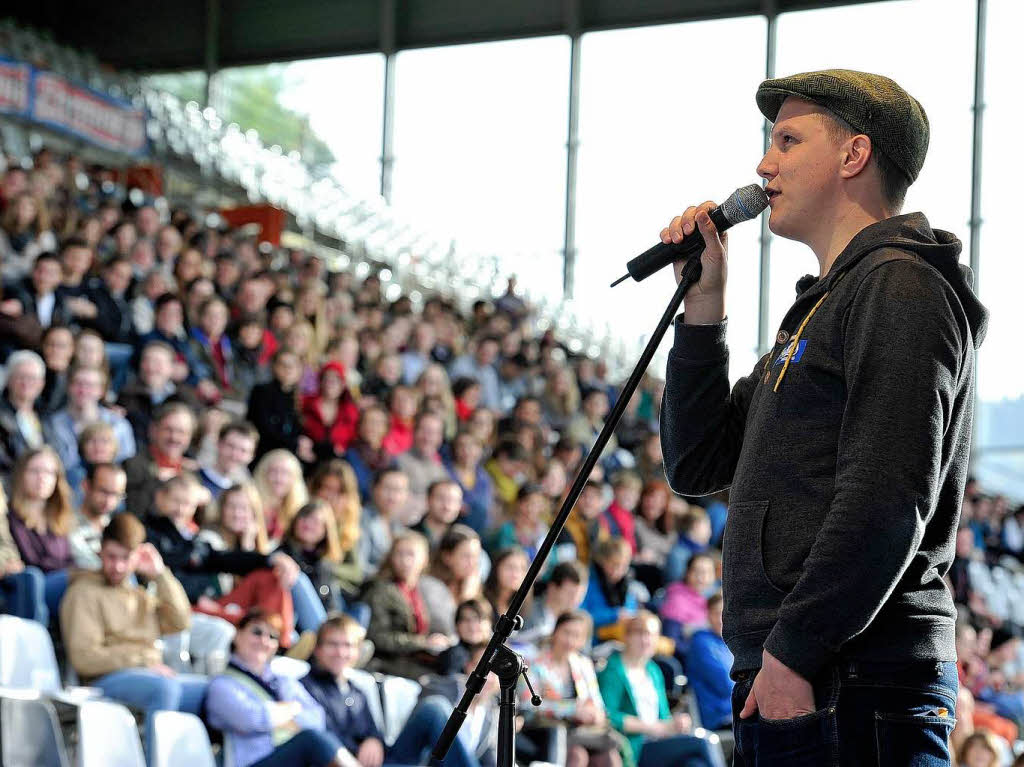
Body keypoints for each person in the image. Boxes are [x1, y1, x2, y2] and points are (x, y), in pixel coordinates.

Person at [659, 70, 986, 764]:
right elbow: (699, 462)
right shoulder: (822, 308)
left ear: (853, 155)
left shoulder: (900, 286)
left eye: (787, 139)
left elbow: (886, 495)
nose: (762, 163)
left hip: (846, 672)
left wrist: (795, 652)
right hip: (811, 670)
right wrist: (704, 305)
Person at [60, 513, 208, 725]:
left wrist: (160, 574)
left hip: (151, 675)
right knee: (165, 689)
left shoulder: (140, 595)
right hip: (104, 680)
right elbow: (85, 659)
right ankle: (155, 759)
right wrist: (143, 661)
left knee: (213, 692)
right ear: (100, 551)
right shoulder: (82, 592)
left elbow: (181, 622)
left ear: (138, 556)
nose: (118, 566)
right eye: (111, 556)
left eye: (126, 558)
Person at [302, 614, 487, 767]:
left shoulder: (356, 690)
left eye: (348, 645)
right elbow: (320, 740)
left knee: (435, 708)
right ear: (318, 649)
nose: (341, 652)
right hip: (346, 762)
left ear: (357, 652)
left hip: (386, 760)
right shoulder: (306, 687)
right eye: (333, 644)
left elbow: (375, 732)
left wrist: (374, 740)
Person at [204, 608, 347, 767]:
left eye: (272, 636)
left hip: (292, 758)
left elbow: (317, 718)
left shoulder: (283, 681)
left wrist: (275, 715)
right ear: (237, 634)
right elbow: (252, 719)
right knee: (312, 741)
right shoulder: (222, 685)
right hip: (256, 762)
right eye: (257, 632)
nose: (264, 641)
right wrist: (292, 709)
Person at [598, 611, 721, 767]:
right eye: (639, 633)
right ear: (627, 636)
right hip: (633, 746)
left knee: (695, 764)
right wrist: (651, 727)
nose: (646, 640)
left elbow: (664, 717)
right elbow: (608, 716)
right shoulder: (614, 669)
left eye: (651, 635)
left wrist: (675, 724)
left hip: (658, 741)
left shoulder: (653, 670)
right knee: (705, 742)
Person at [526, 610, 622, 767]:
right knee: (577, 755)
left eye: (577, 636)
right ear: (555, 632)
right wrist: (572, 710)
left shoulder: (583, 664)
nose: (570, 640)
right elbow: (528, 705)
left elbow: (596, 702)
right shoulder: (535, 663)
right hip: (547, 730)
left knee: (609, 756)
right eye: (566, 632)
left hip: (582, 730)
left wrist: (595, 715)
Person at [364, 530, 452, 678]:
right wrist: (423, 643)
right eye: (399, 554)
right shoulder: (381, 589)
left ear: (424, 559)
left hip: (414, 661)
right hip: (387, 664)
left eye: (410, 554)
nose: (404, 561)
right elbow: (378, 637)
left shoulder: (421, 590)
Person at [5, 446, 74, 625]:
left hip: (59, 583)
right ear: (22, 475)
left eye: (49, 472)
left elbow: (68, 559)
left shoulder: (59, 519)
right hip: (29, 583)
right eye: (35, 471)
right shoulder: (11, 516)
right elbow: (30, 559)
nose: (42, 478)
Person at [123, 401, 196, 514]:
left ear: (190, 437)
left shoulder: (193, 473)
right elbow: (133, 509)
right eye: (168, 429)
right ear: (154, 430)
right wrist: (157, 482)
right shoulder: (133, 466)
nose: (174, 437)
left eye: (181, 432)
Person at [419, 524, 485, 635]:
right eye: (466, 556)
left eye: (476, 556)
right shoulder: (429, 586)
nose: (473, 563)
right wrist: (467, 597)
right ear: (447, 557)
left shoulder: (470, 582)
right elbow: (450, 630)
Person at [684, 593, 735, 732]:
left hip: (735, 712)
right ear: (708, 615)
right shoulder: (701, 643)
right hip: (718, 716)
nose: (720, 619)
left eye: (724, 613)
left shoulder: (729, 643)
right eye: (716, 613)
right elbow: (726, 685)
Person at [394, 411, 450, 525]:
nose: (427, 437)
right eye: (423, 430)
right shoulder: (398, 463)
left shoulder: (441, 471)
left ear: (440, 438)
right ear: (414, 432)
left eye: (433, 433)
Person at [69, 462, 127, 570]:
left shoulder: (116, 526)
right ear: (86, 486)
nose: (109, 501)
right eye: (103, 491)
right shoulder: (68, 524)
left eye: (116, 495)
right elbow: (89, 567)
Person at [0, 350, 50, 473]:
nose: (26, 383)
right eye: (20, 377)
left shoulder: (46, 417)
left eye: (32, 378)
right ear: (9, 380)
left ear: (41, 384)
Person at [357, 468, 408, 576]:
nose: (392, 496)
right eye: (387, 488)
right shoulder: (361, 518)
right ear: (374, 488)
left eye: (398, 490)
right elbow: (359, 566)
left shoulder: (399, 527)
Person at [252, 449, 309, 543]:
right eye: (274, 471)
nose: (279, 479)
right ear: (263, 473)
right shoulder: (250, 504)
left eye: (285, 473)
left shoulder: (299, 511)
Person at [197, 419, 258, 500]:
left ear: (251, 456)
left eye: (243, 451)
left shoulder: (248, 497)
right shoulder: (194, 480)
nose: (235, 455)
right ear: (218, 444)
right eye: (231, 446)